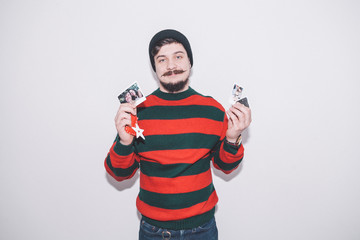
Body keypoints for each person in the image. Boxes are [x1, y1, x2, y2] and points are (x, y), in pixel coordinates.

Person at [104, 29, 252, 240]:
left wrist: (232, 137)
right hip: (153, 231)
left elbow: (226, 167)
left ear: (190, 62)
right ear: (154, 68)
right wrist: (124, 142)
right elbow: (119, 174)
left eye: (178, 57)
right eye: (162, 60)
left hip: (202, 229)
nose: (171, 65)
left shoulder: (212, 110)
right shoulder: (137, 113)